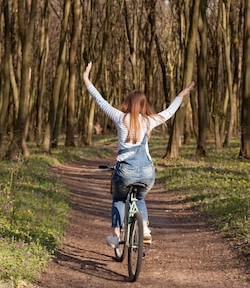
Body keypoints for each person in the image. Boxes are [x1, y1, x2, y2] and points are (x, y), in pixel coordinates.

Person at [83, 62, 195, 249]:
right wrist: (181, 95)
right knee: (140, 198)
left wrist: (86, 78)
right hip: (147, 172)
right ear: (144, 105)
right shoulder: (149, 121)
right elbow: (168, 112)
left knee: (119, 199)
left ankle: (115, 235)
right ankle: (144, 228)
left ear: (128, 102)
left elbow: (100, 100)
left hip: (125, 169)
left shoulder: (120, 118)